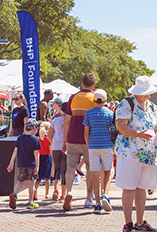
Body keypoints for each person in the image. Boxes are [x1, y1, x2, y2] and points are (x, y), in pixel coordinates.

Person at [115, 76, 157, 232]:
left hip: (148, 153)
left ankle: (140, 222)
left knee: (142, 187)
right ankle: (128, 223)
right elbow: (121, 126)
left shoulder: (152, 106)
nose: (147, 96)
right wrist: (138, 134)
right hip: (130, 152)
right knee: (129, 187)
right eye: (145, 93)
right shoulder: (126, 104)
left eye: (148, 93)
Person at [62, 73, 97, 211]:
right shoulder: (95, 98)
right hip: (90, 140)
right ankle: (89, 198)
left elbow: (67, 122)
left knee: (70, 167)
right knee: (90, 169)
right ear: (93, 85)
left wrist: (64, 140)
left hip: (73, 138)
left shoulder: (73, 97)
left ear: (82, 83)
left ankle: (69, 191)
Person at [83, 88, 115, 214]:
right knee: (107, 172)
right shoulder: (110, 113)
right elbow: (112, 131)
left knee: (95, 175)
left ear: (94, 100)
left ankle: (96, 203)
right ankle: (105, 195)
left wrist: (88, 144)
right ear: (105, 100)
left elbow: (86, 133)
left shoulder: (89, 113)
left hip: (93, 145)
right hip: (106, 145)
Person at [7, 118, 41, 210]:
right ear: (34, 129)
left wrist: (11, 162)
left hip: (21, 163)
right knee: (31, 183)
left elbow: (15, 151)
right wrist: (37, 165)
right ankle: (30, 202)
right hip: (31, 164)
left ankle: (14, 193)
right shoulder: (35, 139)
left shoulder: (20, 138)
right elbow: (36, 153)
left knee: (20, 181)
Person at [48, 96, 67, 201]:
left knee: (57, 169)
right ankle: (63, 195)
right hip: (66, 147)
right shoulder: (68, 120)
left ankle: (55, 189)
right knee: (64, 170)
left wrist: (53, 142)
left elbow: (49, 134)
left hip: (56, 146)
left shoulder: (55, 120)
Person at [35, 121, 52, 200]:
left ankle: (35, 191)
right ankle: (47, 193)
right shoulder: (48, 139)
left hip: (40, 157)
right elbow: (50, 150)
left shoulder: (38, 139)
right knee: (47, 178)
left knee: (39, 177)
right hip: (47, 157)